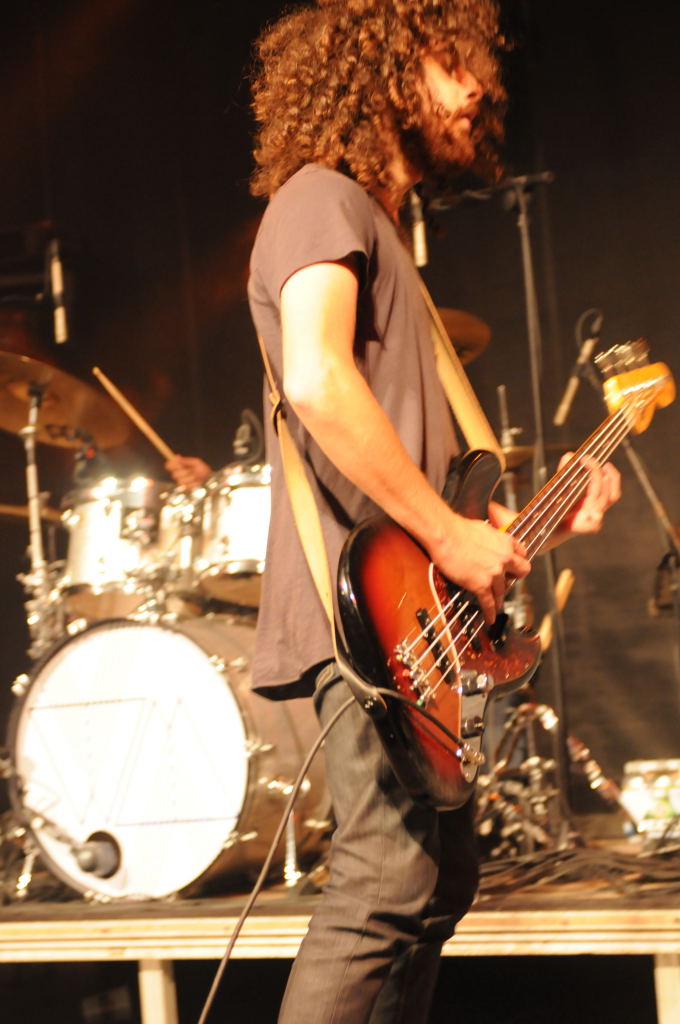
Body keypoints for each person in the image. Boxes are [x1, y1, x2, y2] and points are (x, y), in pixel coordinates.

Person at [168, 2, 620, 1020]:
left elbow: (425, 487)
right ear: (383, 68)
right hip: (362, 619)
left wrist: (526, 516)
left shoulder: (377, 232)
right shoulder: (319, 200)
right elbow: (318, 381)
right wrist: (451, 535)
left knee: (431, 883)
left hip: (407, 610)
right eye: (453, 61)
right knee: (382, 886)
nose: (479, 87)